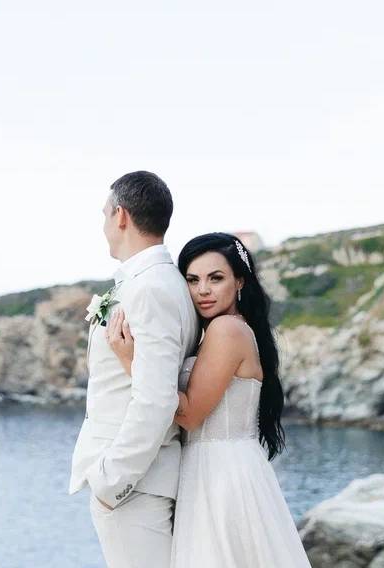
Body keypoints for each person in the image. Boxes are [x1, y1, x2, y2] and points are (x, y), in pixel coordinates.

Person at [106, 232, 311, 567]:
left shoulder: (227, 330)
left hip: (221, 473)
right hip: (221, 466)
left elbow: (189, 415)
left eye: (216, 278)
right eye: (192, 279)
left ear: (240, 282)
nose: (203, 290)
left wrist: (131, 361)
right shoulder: (225, 330)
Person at [68, 171, 199, 568]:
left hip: (135, 486)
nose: (103, 224)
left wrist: (113, 480)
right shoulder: (156, 282)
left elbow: (157, 397)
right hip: (140, 484)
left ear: (120, 216)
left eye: (104, 214)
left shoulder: (151, 288)